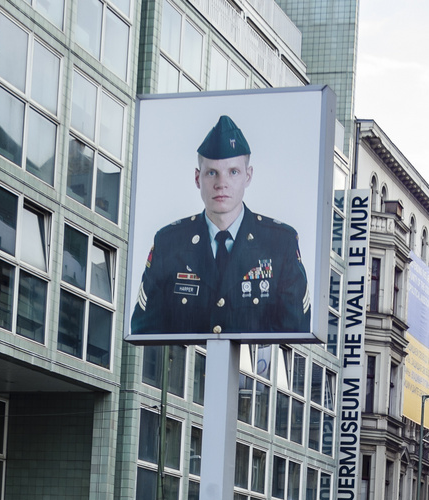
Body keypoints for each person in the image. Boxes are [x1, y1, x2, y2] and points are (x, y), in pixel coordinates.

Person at [129, 115, 310, 337]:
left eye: (233, 172)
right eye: (211, 172)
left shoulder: (280, 243)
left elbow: (295, 332)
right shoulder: (169, 243)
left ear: (248, 176)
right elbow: (144, 331)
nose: (221, 183)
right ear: (197, 178)